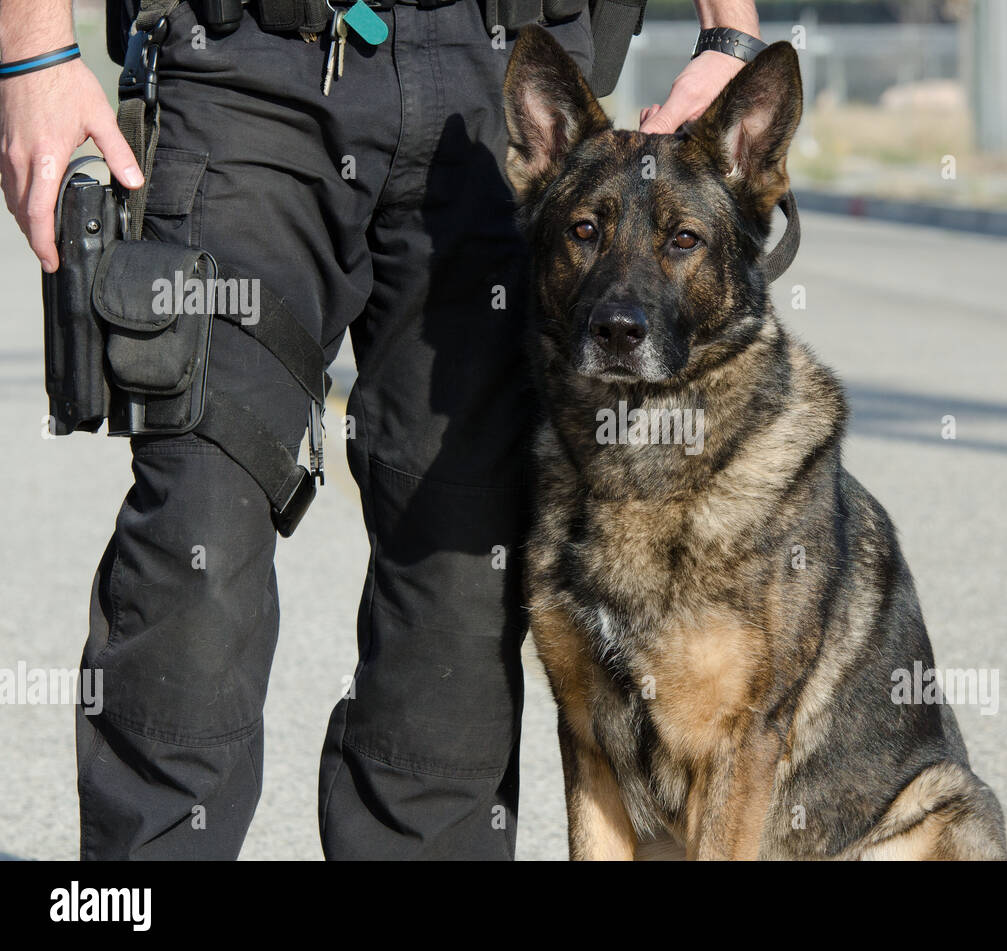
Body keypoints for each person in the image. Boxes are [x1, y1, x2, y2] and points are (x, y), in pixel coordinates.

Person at [0, 0, 765, 859]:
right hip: (249, 69)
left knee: (464, 576)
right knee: (197, 524)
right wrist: (33, 54)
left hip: (503, 67)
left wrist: (729, 31)